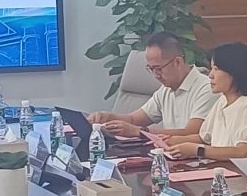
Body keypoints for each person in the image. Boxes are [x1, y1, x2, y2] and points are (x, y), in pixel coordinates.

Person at [164, 39, 247, 175]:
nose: (210, 75)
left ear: (235, 73)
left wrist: (197, 150)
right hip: (225, 175)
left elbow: (241, 152)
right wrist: (173, 140)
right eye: (211, 69)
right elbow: (204, 138)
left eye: (216, 69)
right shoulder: (222, 101)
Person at [87, 31, 216, 136]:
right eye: (151, 69)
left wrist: (140, 132)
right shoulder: (166, 90)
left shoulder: (206, 88)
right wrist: (108, 117)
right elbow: (133, 119)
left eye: (158, 68)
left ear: (177, 62)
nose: (156, 75)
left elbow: (192, 133)